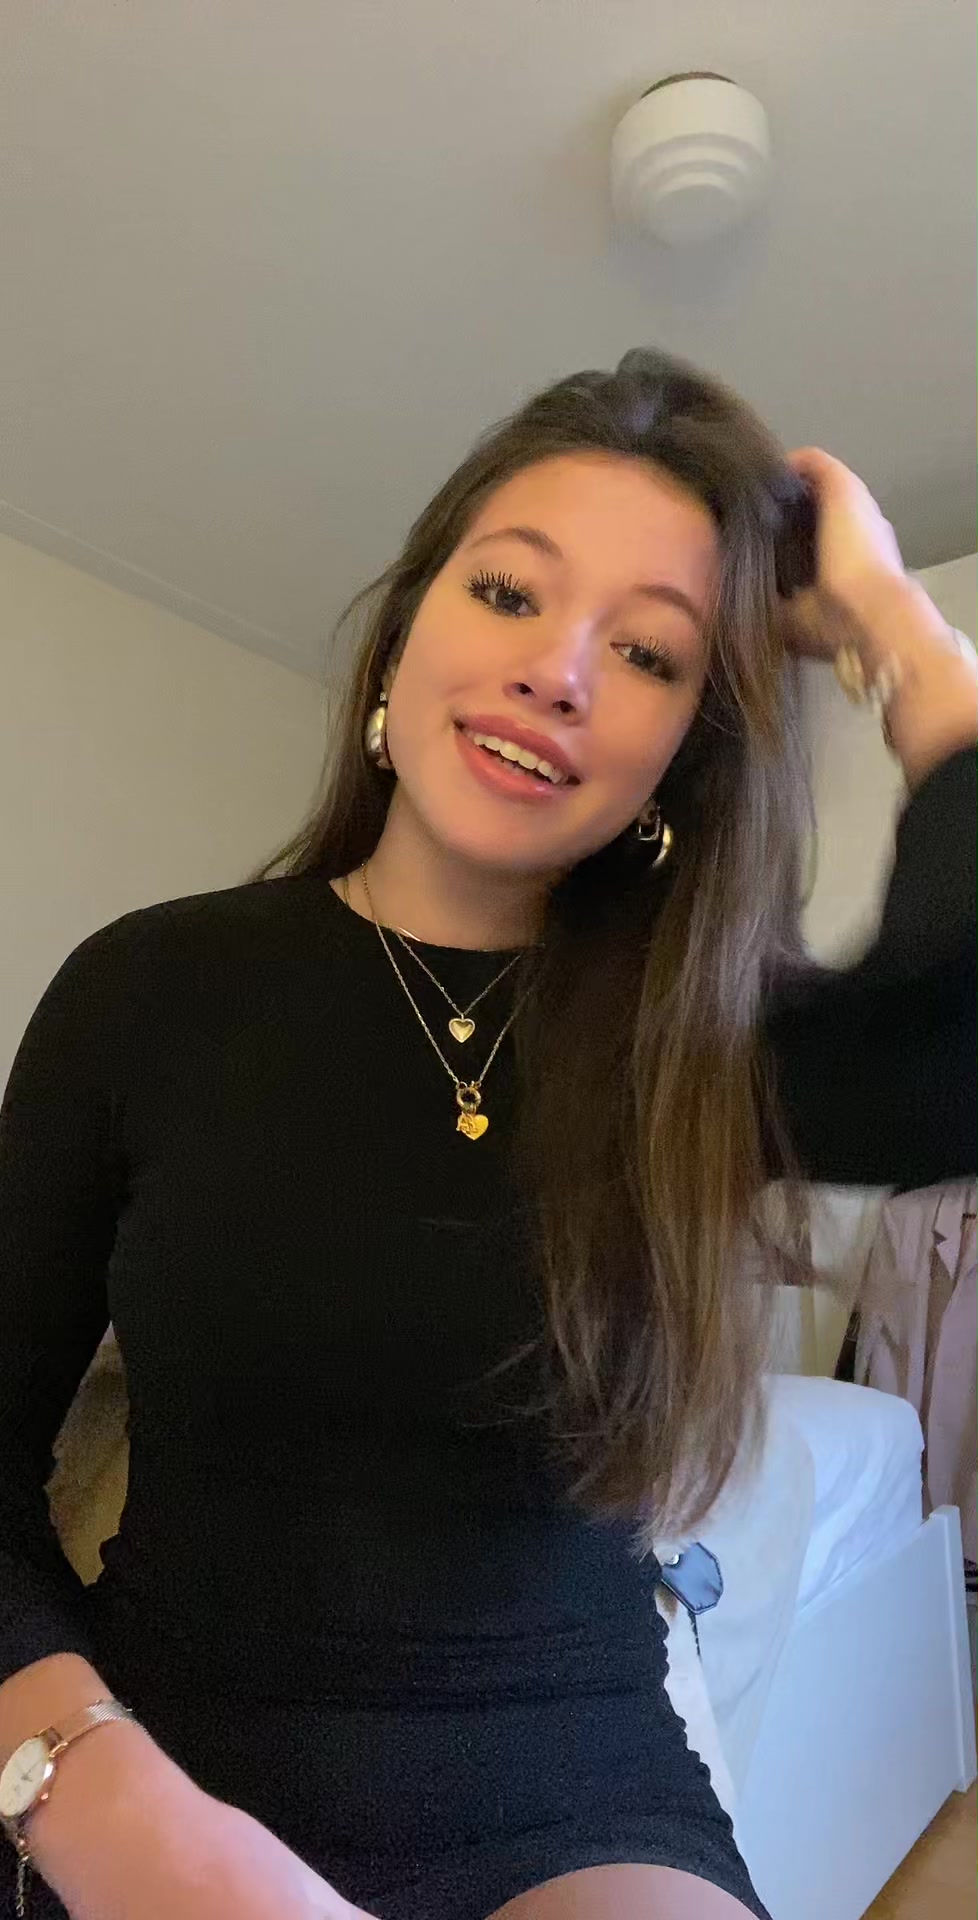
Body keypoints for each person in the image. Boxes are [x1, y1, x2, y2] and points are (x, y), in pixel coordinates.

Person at [0, 348, 974, 1920]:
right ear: (405, 634)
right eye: (511, 593)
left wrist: (896, 630)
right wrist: (97, 1798)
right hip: (160, 1759)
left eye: (648, 654)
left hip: (572, 1782)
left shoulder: (699, 1052)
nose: (559, 671)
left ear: (679, 754)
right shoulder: (147, 989)